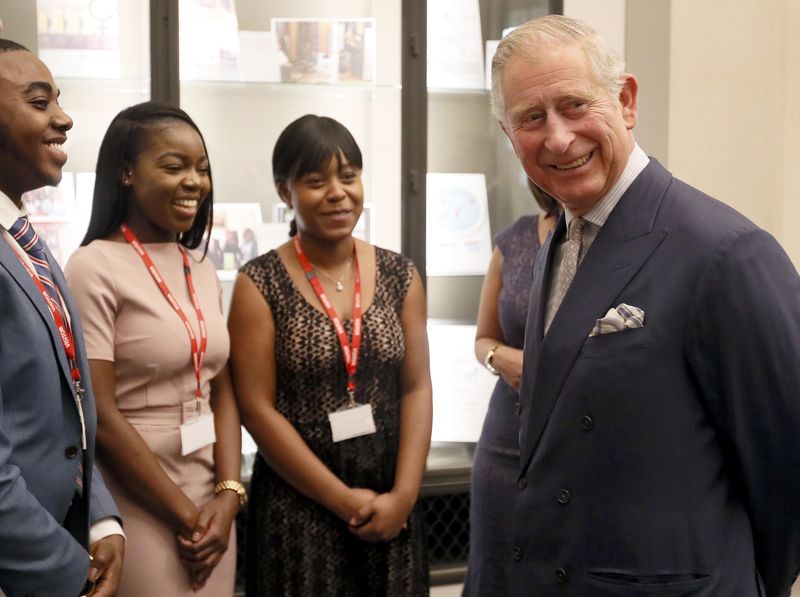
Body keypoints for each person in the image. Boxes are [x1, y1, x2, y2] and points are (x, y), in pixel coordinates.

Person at [491, 14, 800, 596]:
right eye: (532, 118)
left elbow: (788, 467)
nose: (557, 137)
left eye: (575, 105)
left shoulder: (726, 254)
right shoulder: (564, 233)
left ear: (626, 101)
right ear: (511, 137)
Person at [228, 114, 432, 596]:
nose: (338, 193)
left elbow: (417, 386)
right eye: (317, 181)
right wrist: (341, 500)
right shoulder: (258, 283)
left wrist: (404, 495)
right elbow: (256, 409)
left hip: (390, 493)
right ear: (286, 192)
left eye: (349, 176)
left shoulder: (401, 273)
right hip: (299, 504)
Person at [64, 101, 242, 596]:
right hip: (136, 497)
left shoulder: (200, 266)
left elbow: (222, 390)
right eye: (174, 166)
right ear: (126, 172)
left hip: (210, 498)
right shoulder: (92, 266)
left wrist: (227, 498)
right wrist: (187, 516)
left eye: (202, 169)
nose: (194, 181)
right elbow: (100, 411)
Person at [0, 39, 124, 596]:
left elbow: (66, 403)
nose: (64, 118)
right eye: (39, 102)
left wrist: (98, 516)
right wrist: (65, 570)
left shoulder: (25, 239)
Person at [464, 181, 559, 596]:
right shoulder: (514, 240)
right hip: (505, 440)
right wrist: (500, 358)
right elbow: (484, 338)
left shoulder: (611, 240)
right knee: (494, 569)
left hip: (573, 440)